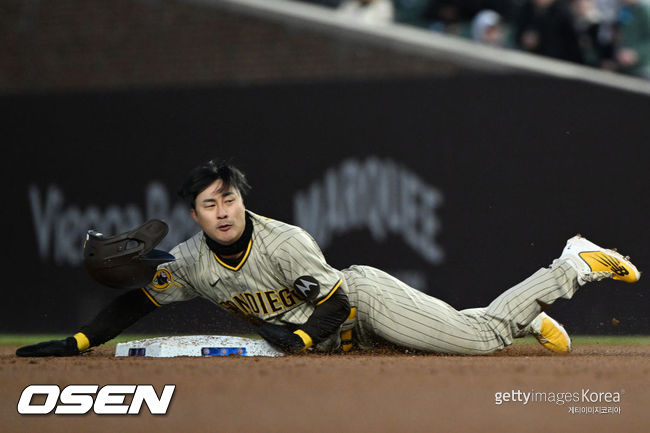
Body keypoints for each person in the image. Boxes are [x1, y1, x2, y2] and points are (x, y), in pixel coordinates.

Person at [16, 160, 641, 357]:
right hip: (340, 337)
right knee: (458, 331)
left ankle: (572, 266)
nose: (224, 210)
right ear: (195, 215)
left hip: (359, 304)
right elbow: (136, 300)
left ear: (240, 201)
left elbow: (337, 301)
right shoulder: (189, 261)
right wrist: (77, 342)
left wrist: (302, 342)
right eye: (210, 204)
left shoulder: (284, 241)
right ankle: (527, 317)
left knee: (480, 341)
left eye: (229, 198)